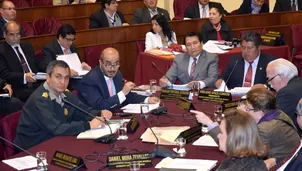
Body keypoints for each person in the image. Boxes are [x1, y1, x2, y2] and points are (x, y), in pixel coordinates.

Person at [191, 88, 300, 170]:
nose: (242, 109)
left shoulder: (264, 129)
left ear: (260, 112)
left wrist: (209, 123)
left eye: (247, 108)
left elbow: (232, 144)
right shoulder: (279, 114)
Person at [14, 60, 112, 150]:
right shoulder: (40, 100)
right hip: (32, 149)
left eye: (66, 78)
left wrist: (100, 113)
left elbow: (83, 111)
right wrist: (88, 125)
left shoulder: (66, 93)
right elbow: (57, 129)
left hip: (54, 142)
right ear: (48, 77)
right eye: (58, 77)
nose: (63, 82)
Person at [78, 47, 159, 111]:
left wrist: (147, 99)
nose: (112, 69)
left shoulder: (118, 75)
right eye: (108, 64)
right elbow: (100, 106)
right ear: (100, 63)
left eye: (116, 64)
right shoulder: (89, 81)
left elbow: (128, 96)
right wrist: (123, 93)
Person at [40, 24, 91, 90]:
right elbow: (48, 68)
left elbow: (78, 64)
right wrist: (67, 72)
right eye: (68, 39)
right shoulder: (49, 49)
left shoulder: (73, 48)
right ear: (60, 37)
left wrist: (83, 67)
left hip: (76, 78)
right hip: (62, 82)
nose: (71, 43)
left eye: (73, 40)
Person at [0, 21, 40, 102]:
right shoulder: (1, 51)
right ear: (4, 35)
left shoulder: (27, 46)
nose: (15, 37)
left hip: (36, 82)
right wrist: (24, 77)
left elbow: (37, 64)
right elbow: (5, 74)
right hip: (19, 87)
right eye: (11, 34)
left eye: (18, 34)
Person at [266, 58, 302, 130]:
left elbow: (273, 121)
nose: (270, 84)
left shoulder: (286, 93)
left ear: (281, 77)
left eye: (270, 79)